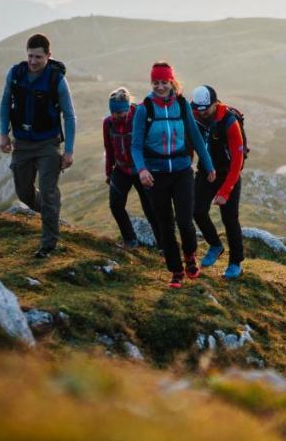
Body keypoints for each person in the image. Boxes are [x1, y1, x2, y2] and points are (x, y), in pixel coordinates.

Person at [131, 62, 215, 288]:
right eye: (156, 82)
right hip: (155, 175)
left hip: (181, 171)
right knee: (165, 225)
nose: (160, 87)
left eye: (164, 82)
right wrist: (142, 169)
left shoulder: (182, 104)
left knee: (185, 221)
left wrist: (208, 166)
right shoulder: (144, 109)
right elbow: (136, 145)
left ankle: (189, 255)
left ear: (172, 82)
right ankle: (176, 270)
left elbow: (196, 137)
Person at [0, 32, 77, 258]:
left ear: (48, 56)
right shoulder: (15, 74)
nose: (33, 62)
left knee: (48, 189)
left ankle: (48, 245)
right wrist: (4, 134)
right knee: (24, 193)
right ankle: (51, 214)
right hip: (22, 143)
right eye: (30, 56)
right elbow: (4, 103)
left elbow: (70, 116)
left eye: (38, 57)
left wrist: (69, 150)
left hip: (48, 144)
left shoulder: (57, 80)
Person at [190, 85, 246, 279]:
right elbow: (189, 143)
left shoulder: (229, 122)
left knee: (230, 219)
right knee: (196, 210)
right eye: (198, 108)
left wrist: (225, 190)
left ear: (215, 103)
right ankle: (215, 245)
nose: (202, 112)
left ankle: (235, 262)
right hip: (206, 171)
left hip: (228, 172)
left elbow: (237, 162)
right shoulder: (192, 115)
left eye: (206, 108)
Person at [102, 86, 160, 250]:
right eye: (114, 113)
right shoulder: (108, 124)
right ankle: (130, 240)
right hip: (121, 170)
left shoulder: (139, 117)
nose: (118, 116)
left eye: (121, 112)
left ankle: (163, 245)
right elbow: (109, 149)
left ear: (128, 108)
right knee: (116, 205)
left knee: (151, 208)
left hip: (142, 169)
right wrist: (108, 173)